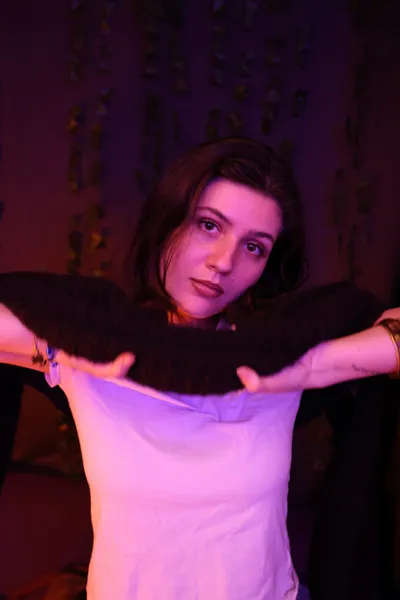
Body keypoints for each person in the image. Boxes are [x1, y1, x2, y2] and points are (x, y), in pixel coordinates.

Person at [0, 136, 399, 600]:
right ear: (169, 221)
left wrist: (307, 367)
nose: (223, 262)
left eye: (254, 247)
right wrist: (68, 349)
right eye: (208, 225)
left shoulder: (275, 348)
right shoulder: (92, 343)